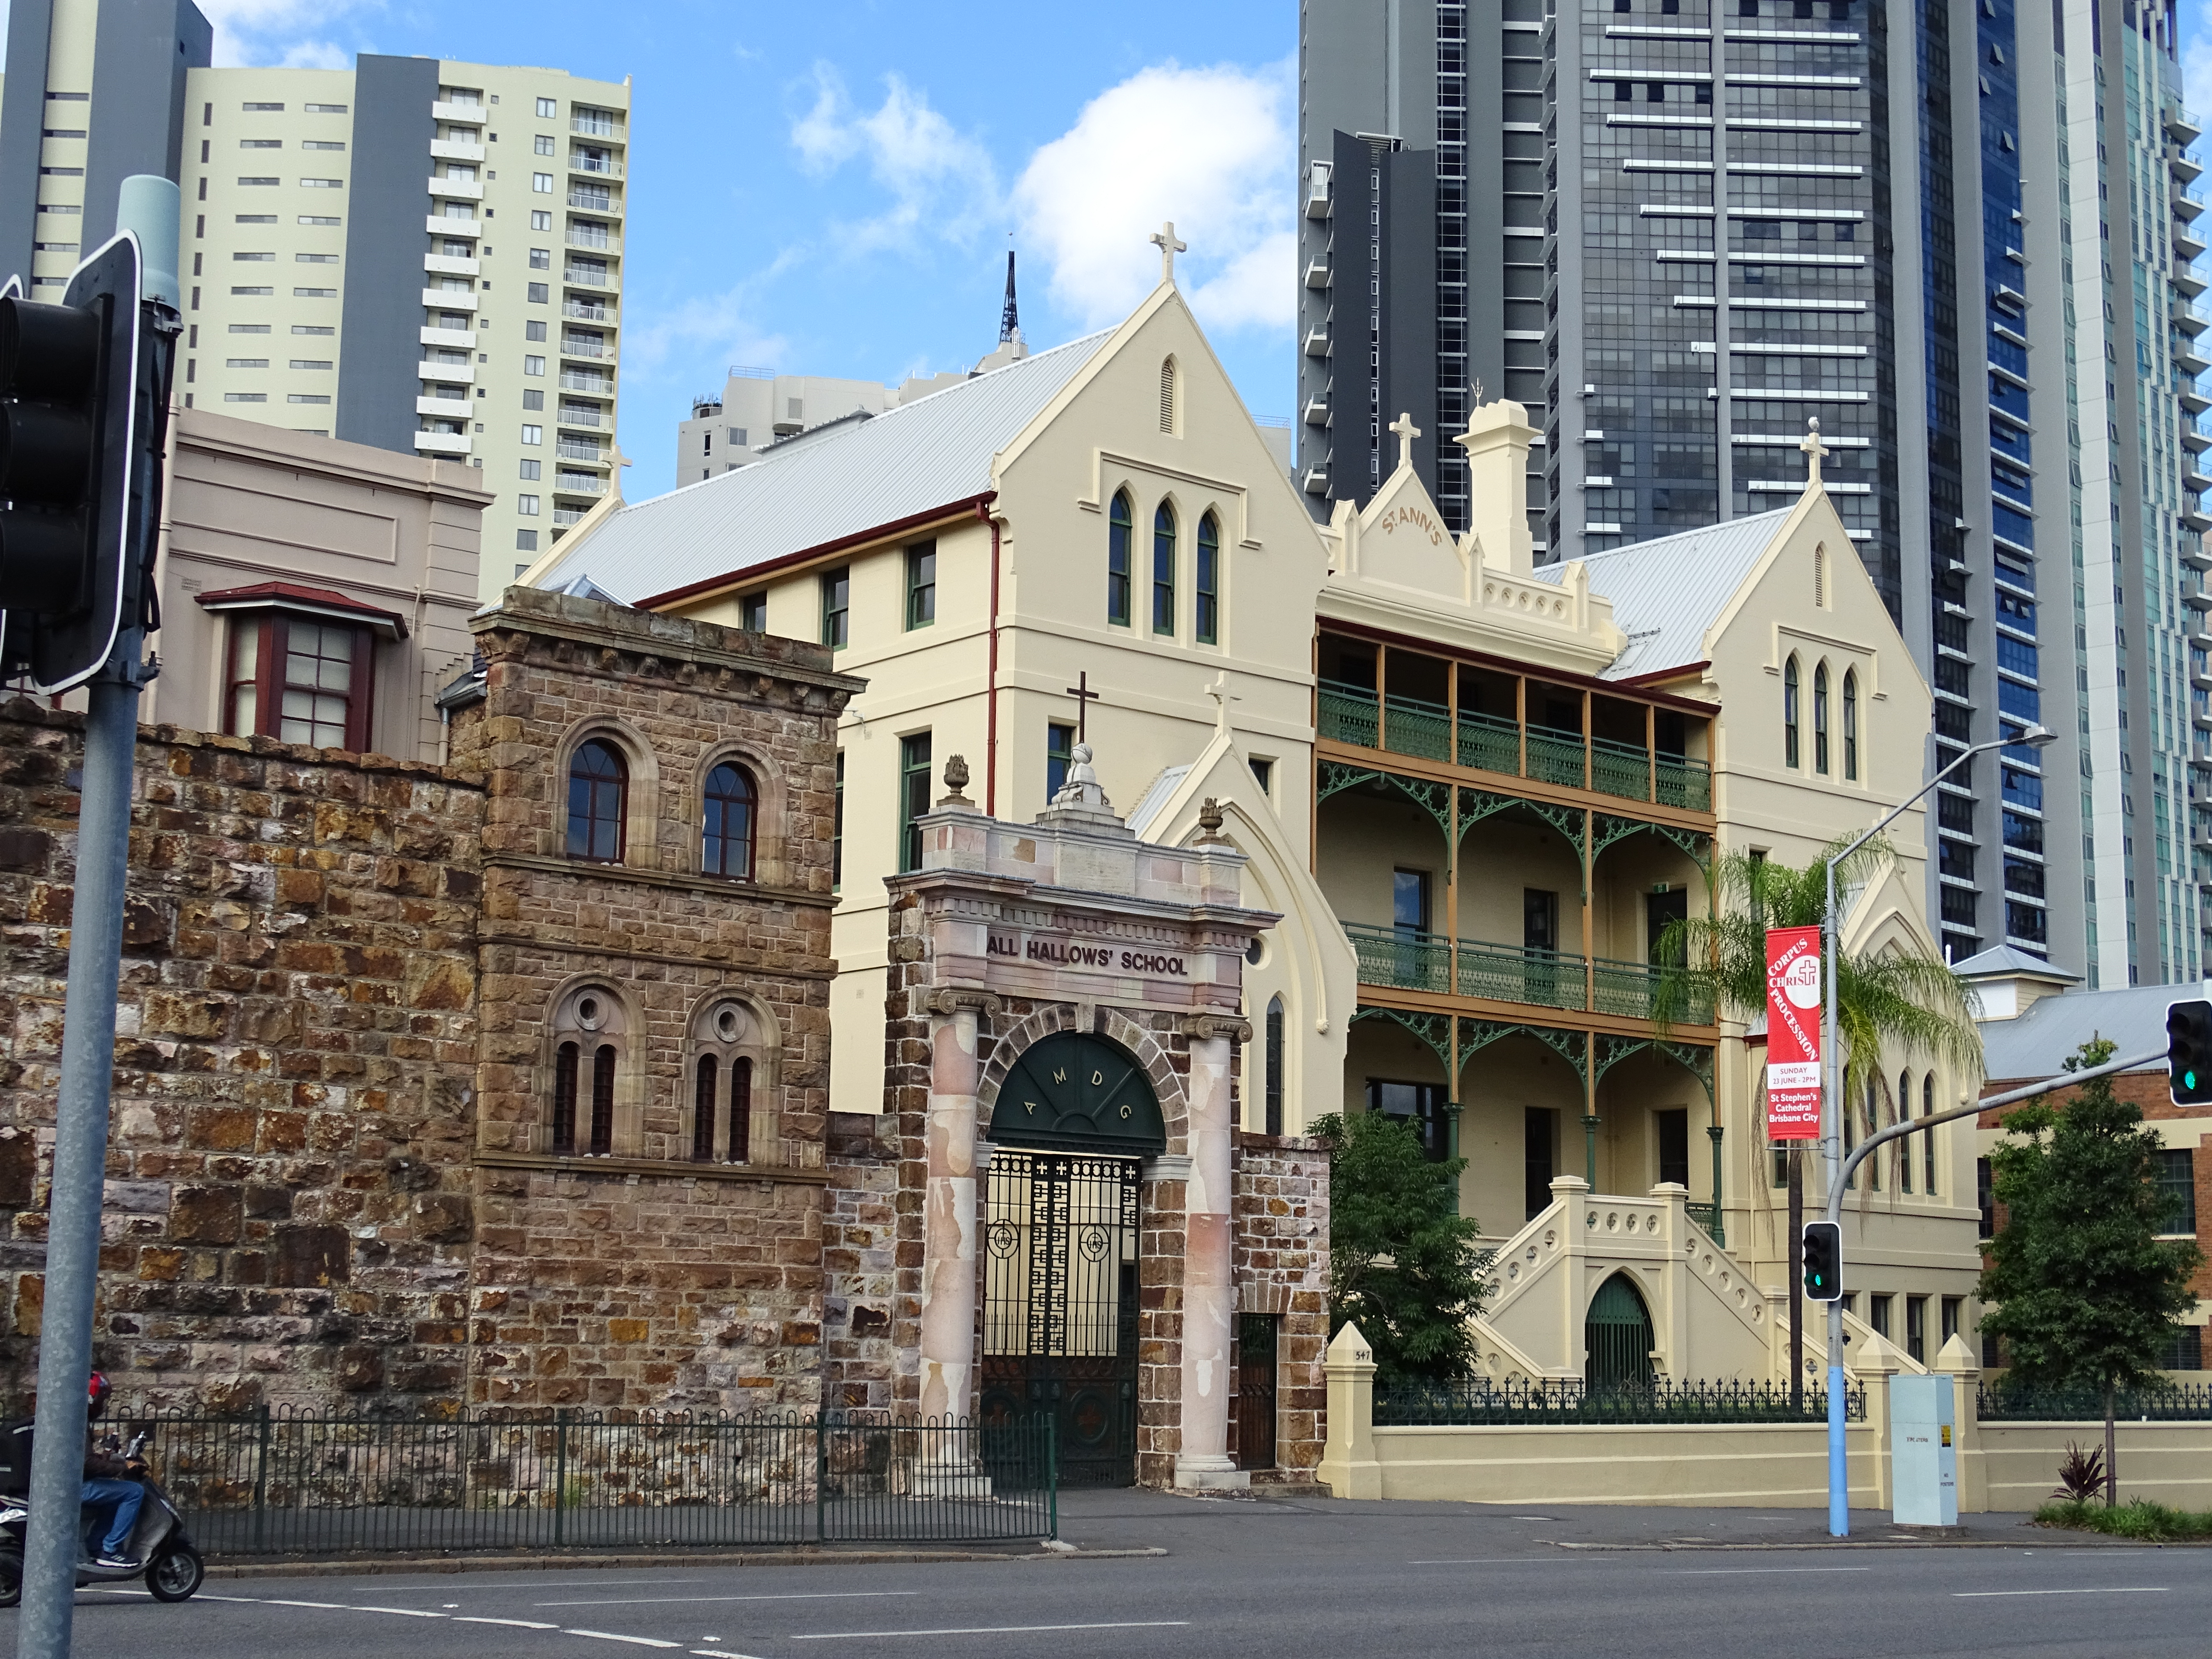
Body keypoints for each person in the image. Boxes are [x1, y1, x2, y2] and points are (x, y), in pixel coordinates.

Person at [79, 1372, 143, 1569]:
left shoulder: (71, 1421)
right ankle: (111, 1549)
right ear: (91, 1398)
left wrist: (107, 1457)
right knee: (134, 1492)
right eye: (101, 1399)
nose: (102, 1405)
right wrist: (123, 1467)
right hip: (75, 1488)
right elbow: (88, 1464)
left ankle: (95, 1544)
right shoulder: (77, 1425)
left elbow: (83, 1461)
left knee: (114, 1495)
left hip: (70, 1484)